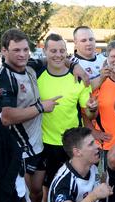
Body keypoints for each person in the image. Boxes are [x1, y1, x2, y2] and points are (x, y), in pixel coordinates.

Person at [0, 28, 53, 202]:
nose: (22, 54)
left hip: (37, 145)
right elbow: (6, 117)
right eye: (16, 50)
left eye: (25, 49)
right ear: (4, 51)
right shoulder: (3, 78)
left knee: (37, 194)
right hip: (18, 149)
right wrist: (40, 107)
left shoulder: (31, 68)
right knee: (21, 201)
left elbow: (57, 60)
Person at [37, 33, 96, 190]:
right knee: (48, 188)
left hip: (72, 143)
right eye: (53, 51)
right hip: (46, 143)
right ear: (45, 51)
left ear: (66, 52)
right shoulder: (36, 75)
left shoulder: (78, 78)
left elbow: (89, 114)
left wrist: (92, 108)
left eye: (62, 51)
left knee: (76, 185)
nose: (58, 55)